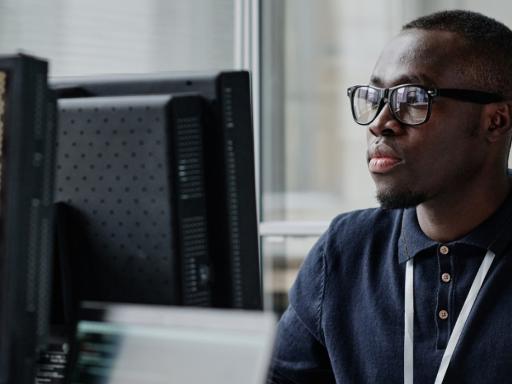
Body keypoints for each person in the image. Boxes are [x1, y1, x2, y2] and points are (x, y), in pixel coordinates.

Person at [267, 9, 512, 384]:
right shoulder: (344, 250)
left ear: (494, 122)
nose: (380, 121)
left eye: (412, 98)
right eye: (375, 96)